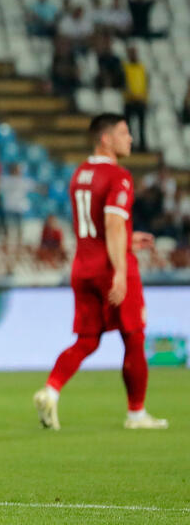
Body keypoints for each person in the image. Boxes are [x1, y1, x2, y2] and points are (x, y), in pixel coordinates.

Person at [34, 113, 167, 430]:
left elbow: (94, 226)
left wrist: (127, 238)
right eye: (123, 132)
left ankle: (50, 391)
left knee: (87, 340)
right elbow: (111, 223)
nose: (130, 138)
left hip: (83, 267)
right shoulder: (119, 176)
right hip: (111, 267)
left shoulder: (80, 173)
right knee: (134, 336)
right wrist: (120, 270)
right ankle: (136, 414)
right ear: (105, 139)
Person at [122, 45, 149, 151]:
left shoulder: (142, 67)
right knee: (128, 126)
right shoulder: (125, 68)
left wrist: (145, 98)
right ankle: (129, 145)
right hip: (129, 101)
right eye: (131, 53)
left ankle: (142, 145)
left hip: (140, 100)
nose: (133, 55)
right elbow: (124, 84)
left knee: (141, 125)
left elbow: (145, 84)